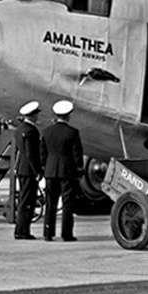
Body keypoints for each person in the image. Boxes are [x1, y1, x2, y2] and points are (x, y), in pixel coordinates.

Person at [40, 100, 82, 242]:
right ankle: (66, 234)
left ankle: (48, 233)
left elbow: (43, 154)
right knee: (67, 203)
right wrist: (79, 170)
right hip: (67, 171)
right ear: (68, 116)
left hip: (51, 171)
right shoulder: (72, 132)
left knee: (50, 203)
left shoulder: (46, 132)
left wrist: (45, 167)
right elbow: (77, 154)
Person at [11, 101, 42, 240]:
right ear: (33, 115)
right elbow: (31, 154)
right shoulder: (31, 131)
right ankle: (23, 230)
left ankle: (20, 229)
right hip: (29, 170)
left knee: (23, 199)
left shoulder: (19, 129)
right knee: (27, 201)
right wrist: (38, 171)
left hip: (21, 167)